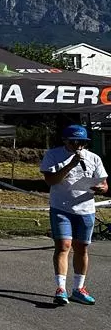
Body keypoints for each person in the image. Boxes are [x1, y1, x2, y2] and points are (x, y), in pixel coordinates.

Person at [40, 125, 109, 306]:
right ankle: (60, 289)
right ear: (65, 141)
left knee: (82, 248)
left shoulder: (94, 158)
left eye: (82, 142)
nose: (78, 145)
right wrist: (70, 165)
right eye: (74, 142)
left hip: (85, 209)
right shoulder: (53, 155)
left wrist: (102, 188)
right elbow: (50, 181)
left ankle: (78, 289)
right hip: (61, 208)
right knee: (64, 245)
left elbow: (104, 184)